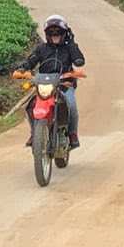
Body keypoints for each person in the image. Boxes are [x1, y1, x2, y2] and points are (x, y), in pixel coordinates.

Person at [21, 14, 85, 149]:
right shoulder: (41, 48)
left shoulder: (69, 47)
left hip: (64, 85)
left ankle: (72, 134)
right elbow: (31, 60)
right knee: (30, 106)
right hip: (44, 84)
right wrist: (23, 68)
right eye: (51, 32)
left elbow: (79, 60)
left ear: (65, 33)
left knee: (71, 106)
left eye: (59, 32)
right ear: (47, 34)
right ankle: (35, 133)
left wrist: (72, 42)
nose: (55, 34)